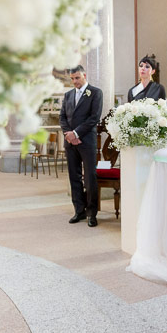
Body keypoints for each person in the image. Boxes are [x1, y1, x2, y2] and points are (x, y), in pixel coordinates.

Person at [59, 65, 103, 227]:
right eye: (72, 79)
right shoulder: (68, 95)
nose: (74, 81)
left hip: (87, 141)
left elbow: (94, 117)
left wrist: (76, 134)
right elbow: (62, 117)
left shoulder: (95, 92)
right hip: (70, 143)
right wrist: (69, 135)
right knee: (74, 177)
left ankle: (92, 213)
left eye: (77, 78)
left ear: (84, 75)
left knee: (90, 178)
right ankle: (79, 210)